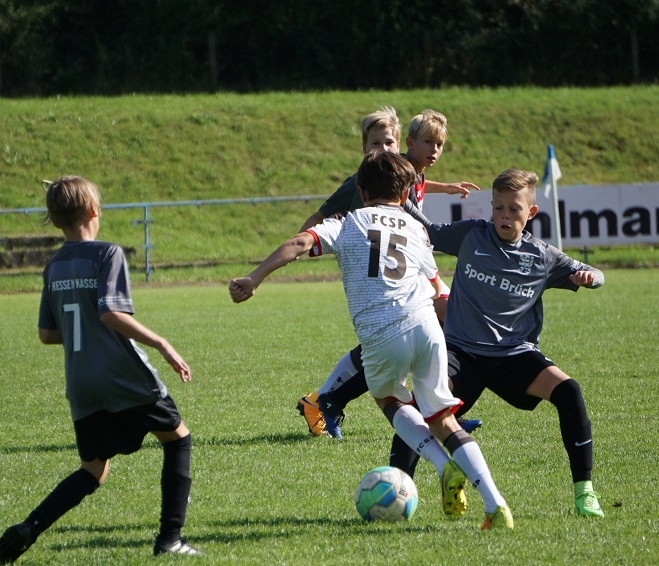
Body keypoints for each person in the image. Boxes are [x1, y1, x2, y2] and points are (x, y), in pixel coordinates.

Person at [231, 151, 513, 529]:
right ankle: (496, 505)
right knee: (444, 419)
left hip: (383, 333)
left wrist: (254, 278)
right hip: (428, 329)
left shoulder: (347, 222)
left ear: (362, 191)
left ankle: (443, 466)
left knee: (389, 399)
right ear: (405, 193)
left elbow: (299, 243)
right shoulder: (417, 229)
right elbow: (438, 293)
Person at [0, 175, 200, 564]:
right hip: (121, 374)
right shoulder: (107, 253)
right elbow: (110, 313)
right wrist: (162, 343)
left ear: (54, 221)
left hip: (81, 382)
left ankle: (28, 528)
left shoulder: (53, 265)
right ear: (93, 211)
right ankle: (170, 539)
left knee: (93, 469)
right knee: (177, 439)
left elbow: (47, 334)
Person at [403, 167, 606, 518]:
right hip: (461, 352)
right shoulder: (472, 235)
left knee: (569, 391)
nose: (505, 216)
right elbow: (428, 230)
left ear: (531, 212)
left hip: (513, 355)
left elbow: (597, 273)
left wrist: (590, 278)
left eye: (514, 209)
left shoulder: (543, 256)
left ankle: (584, 493)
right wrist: (400, 200)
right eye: (498, 208)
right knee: (421, 407)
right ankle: (400, 484)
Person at [296, 109, 482, 444]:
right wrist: (301, 242)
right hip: (383, 272)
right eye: (375, 143)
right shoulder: (367, 180)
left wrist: (446, 188)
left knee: (422, 331)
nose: (383, 149)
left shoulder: (406, 173)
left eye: (388, 143)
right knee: (430, 327)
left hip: (407, 267)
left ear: (400, 145)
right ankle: (332, 399)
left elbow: (418, 183)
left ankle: (328, 399)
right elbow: (322, 214)